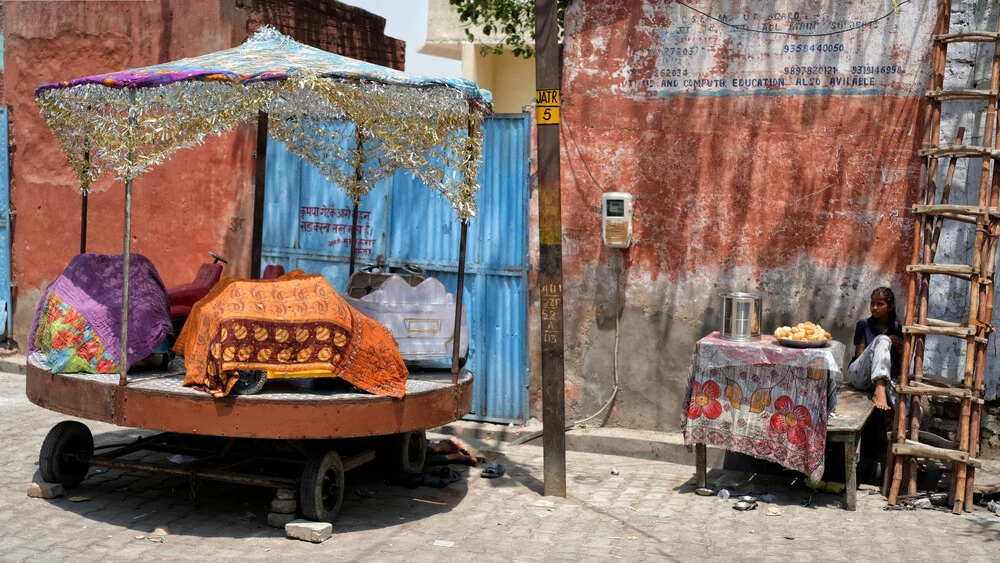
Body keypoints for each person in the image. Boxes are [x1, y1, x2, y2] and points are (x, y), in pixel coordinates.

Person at [848, 287, 904, 410]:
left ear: (889, 307)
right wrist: (884, 340)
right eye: (872, 303)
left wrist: (900, 349)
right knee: (883, 339)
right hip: (860, 375)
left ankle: (905, 426)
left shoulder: (897, 329)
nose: (874, 307)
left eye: (879, 304)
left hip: (886, 378)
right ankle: (879, 390)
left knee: (906, 405)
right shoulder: (863, 325)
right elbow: (860, 357)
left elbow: (899, 367)